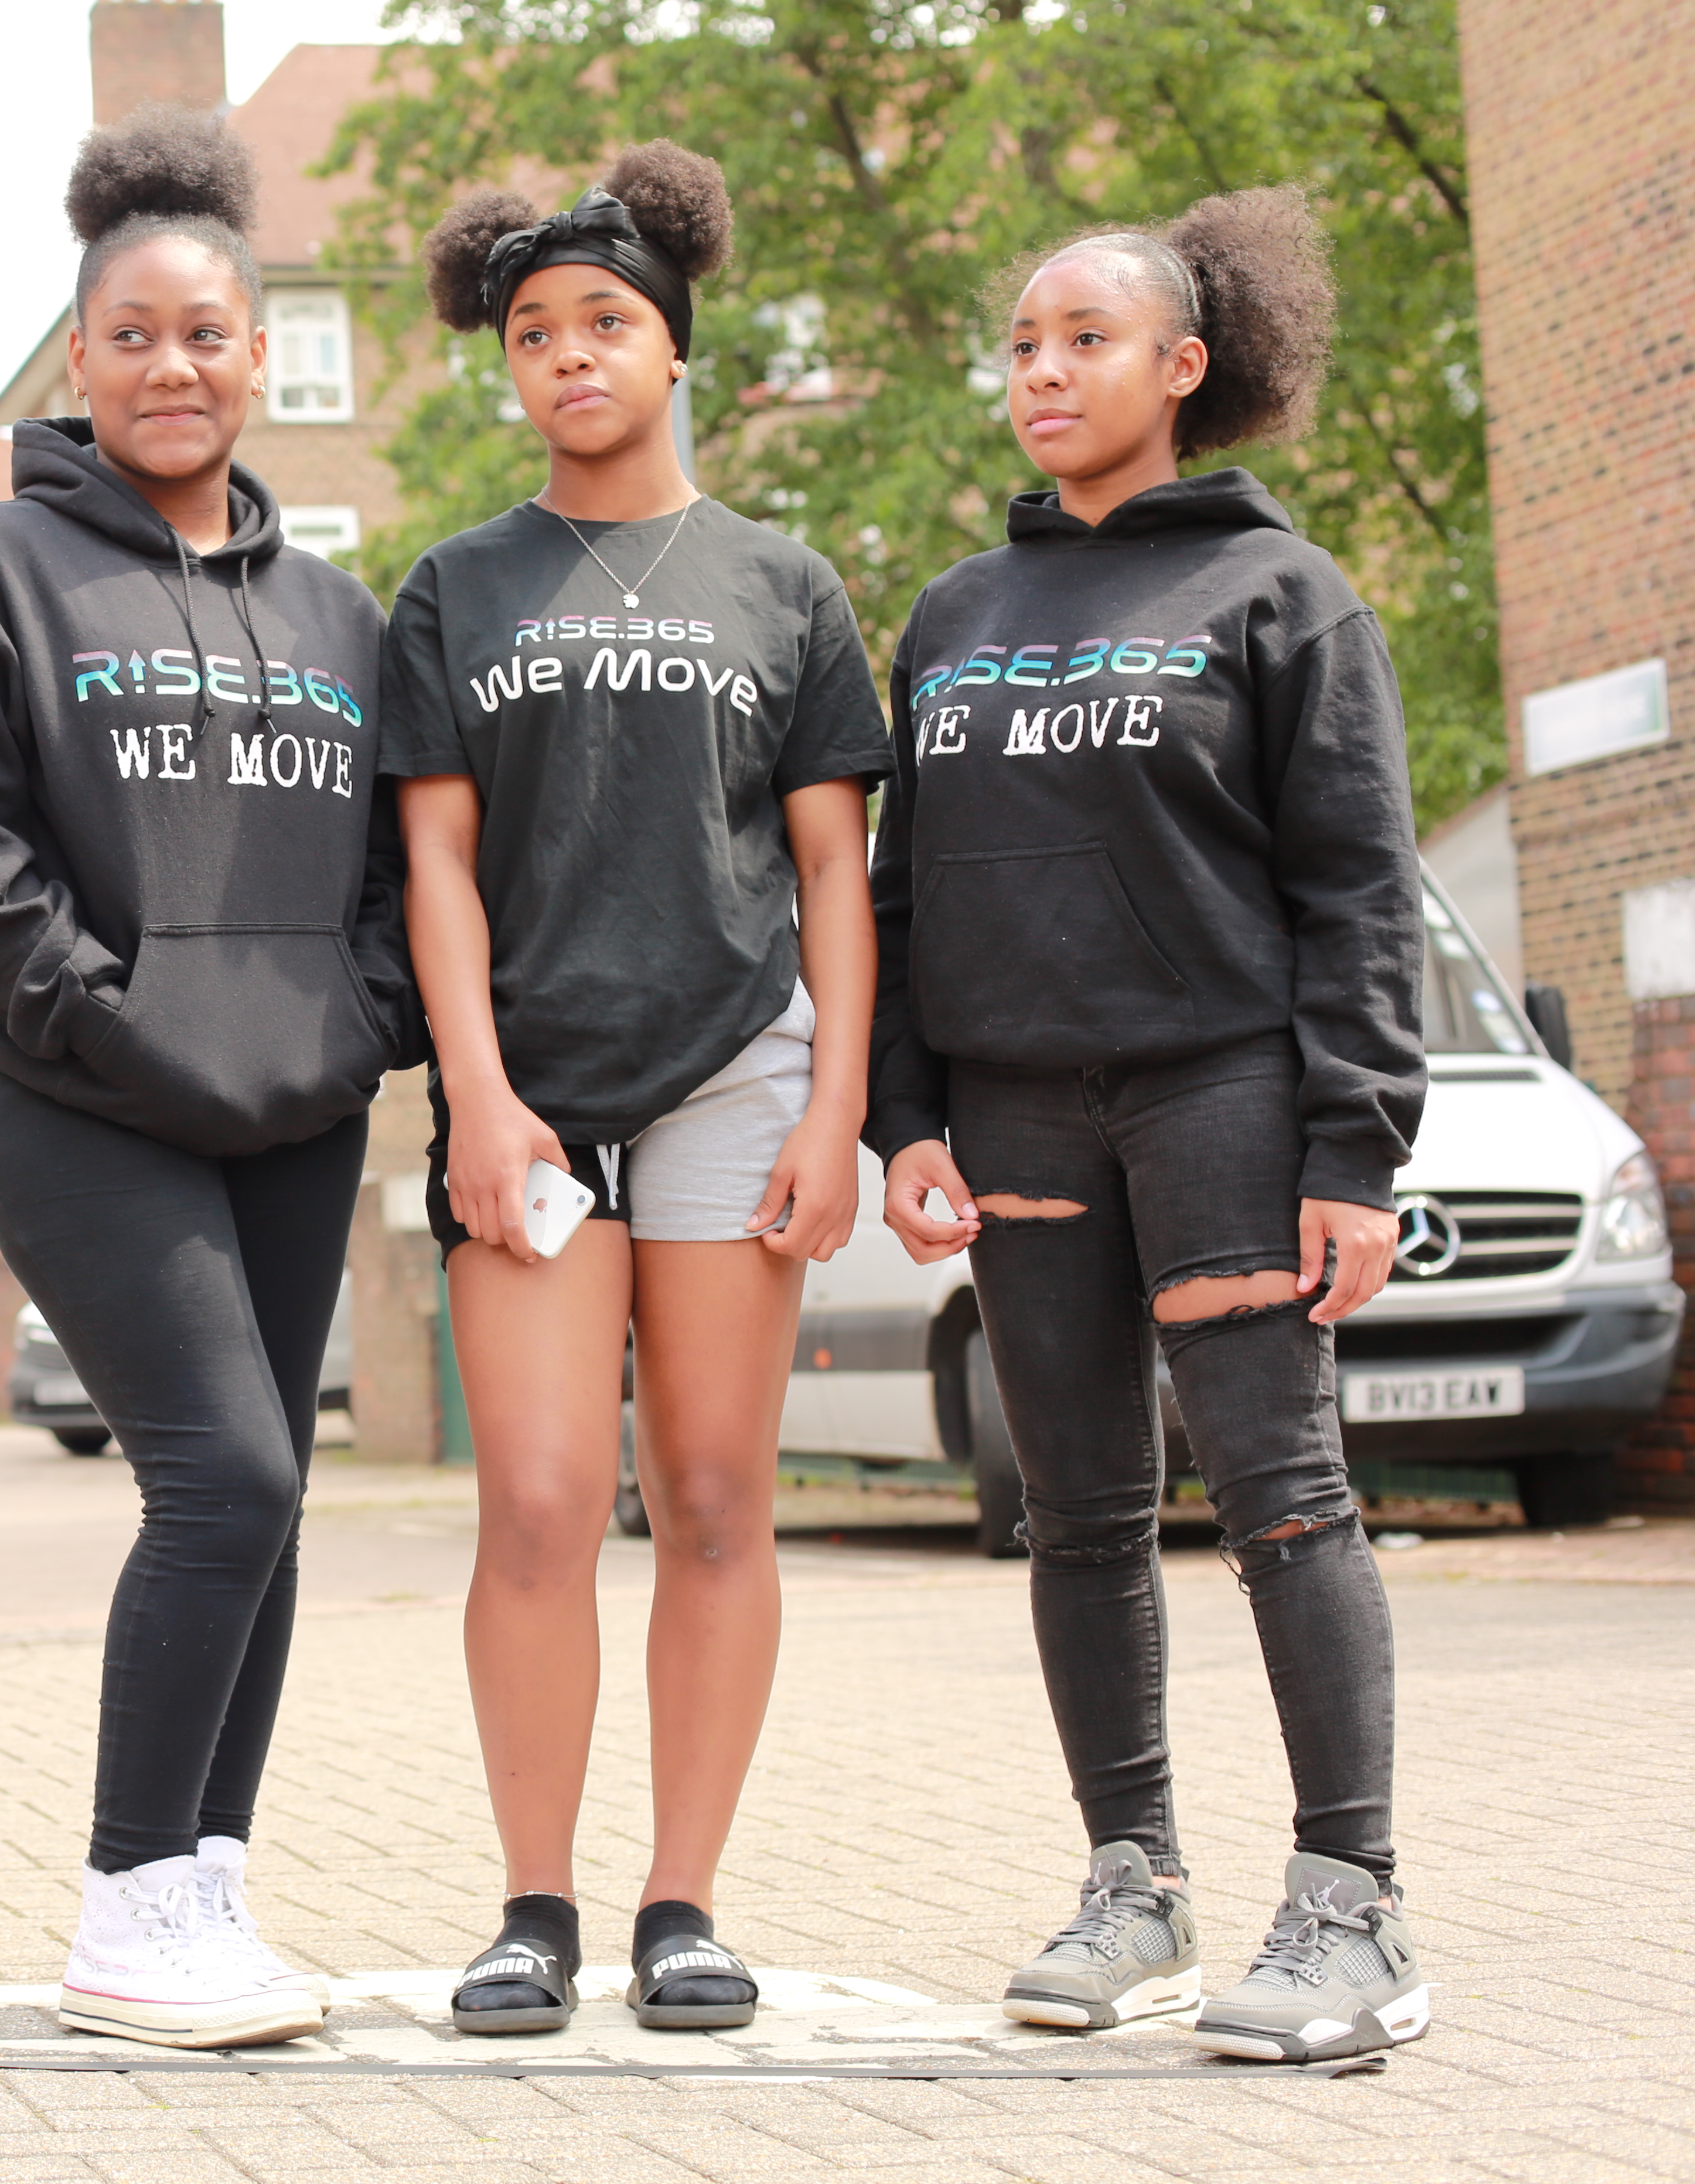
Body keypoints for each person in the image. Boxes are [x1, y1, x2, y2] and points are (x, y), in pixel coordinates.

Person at [866, 187, 1430, 2063]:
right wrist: (905, 1120)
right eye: (1023, 344)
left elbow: (1358, 888)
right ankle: (1136, 1889)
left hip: (1221, 1091)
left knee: (1283, 1498)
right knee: (1077, 1518)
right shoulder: (957, 609)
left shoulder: (1281, 595)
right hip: (1020, 1110)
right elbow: (900, 892)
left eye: (1083, 340)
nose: (1041, 371)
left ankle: (1353, 1911)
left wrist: (1356, 1146)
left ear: (1183, 368)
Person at [0, 104, 416, 2052]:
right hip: (84, 1104)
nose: (172, 366)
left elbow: (384, 872)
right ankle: (128, 1902)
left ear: (255, 353)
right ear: (79, 360)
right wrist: (116, 1021)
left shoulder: (337, 613)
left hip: (294, 1112)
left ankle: (207, 1885)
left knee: (271, 1511)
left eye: (206, 333)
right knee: (231, 1476)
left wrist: (357, 1026)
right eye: (132, 335)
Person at [382, 145, 893, 2036]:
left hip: (736, 1079)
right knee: (531, 1504)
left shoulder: (783, 583)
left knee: (709, 1493)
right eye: (535, 334)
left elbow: (835, 873)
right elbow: (436, 865)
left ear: (675, 346)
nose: (570, 356)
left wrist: (836, 1108)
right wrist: (480, 1096)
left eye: (606, 323)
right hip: (531, 1097)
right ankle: (534, 1905)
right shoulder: (455, 586)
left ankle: (686, 1902)